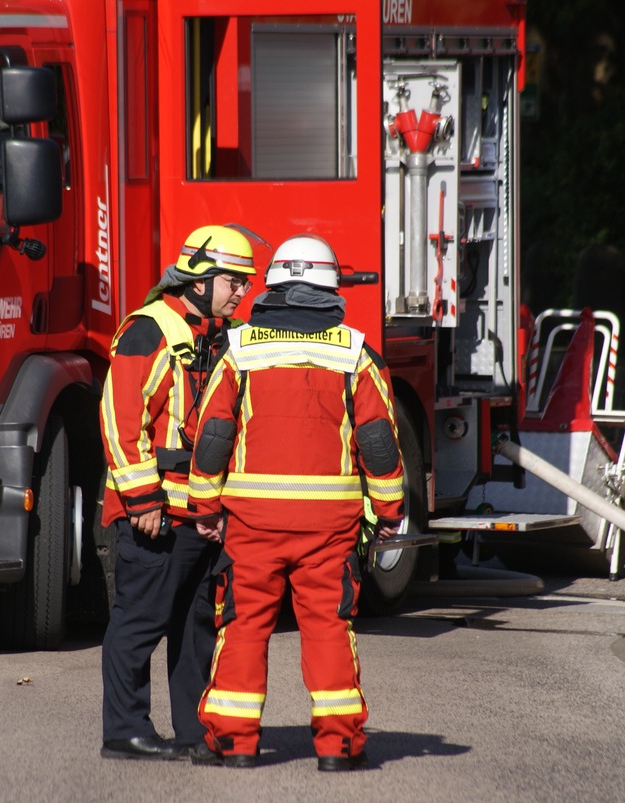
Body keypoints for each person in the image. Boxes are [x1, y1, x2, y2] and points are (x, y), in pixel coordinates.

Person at [186, 233, 405, 771]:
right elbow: (378, 444)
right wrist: (390, 515)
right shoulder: (356, 353)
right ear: (332, 288)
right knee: (329, 627)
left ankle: (233, 742)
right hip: (329, 526)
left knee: (242, 626)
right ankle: (339, 745)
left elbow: (213, 433)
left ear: (273, 287)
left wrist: (205, 507)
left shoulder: (239, 350)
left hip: (250, 523)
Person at [99, 224, 257, 761]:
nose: (241, 292)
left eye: (245, 283)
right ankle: (125, 732)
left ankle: (194, 735)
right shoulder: (148, 330)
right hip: (157, 512)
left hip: (202, 513)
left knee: (196, 630)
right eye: (232, 281)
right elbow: (120, 423)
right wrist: (142, 502)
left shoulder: (224, 334)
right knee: (139, 622)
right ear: (198, 278)